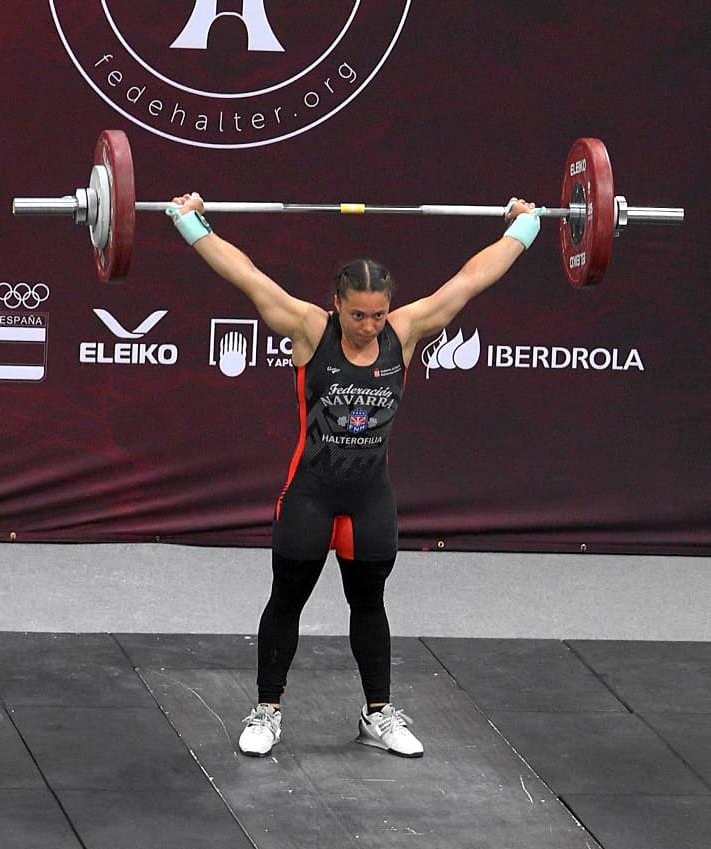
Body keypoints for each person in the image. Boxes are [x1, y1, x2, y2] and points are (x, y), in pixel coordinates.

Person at [166, 193, 540, 758]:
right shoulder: (309, 330)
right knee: (285, 601)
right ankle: (268, 709)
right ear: (336, 304)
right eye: (357, 314)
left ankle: (378, 713)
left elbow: (469, 281)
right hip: (310, 498)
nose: (368, 326)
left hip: (370, 502)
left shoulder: (405, 333)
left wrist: (526, 229)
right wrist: (192, 223)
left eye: (378, 314)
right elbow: (247, 276)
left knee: (370, 605)